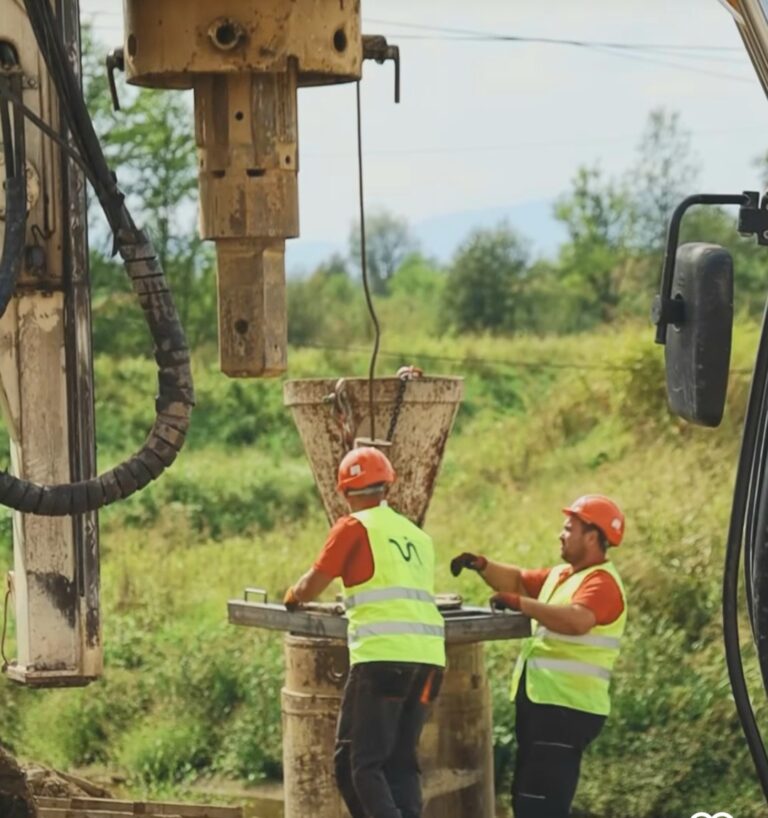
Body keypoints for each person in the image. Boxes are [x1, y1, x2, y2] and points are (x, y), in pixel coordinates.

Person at [284, 446, 445, 818]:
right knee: (400, 763)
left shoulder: (353, 527)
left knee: (359, 767)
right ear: (388, 486)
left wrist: (292, 595)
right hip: (430, 663)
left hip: (383, 660)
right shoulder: (417, 537)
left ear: (343, 491)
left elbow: (311, 585)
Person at [450, 494, 627, 818]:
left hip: (566, 707)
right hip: (546, 703)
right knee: (530, 800)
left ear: (592, 537)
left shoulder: (601, 583)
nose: (561, 534)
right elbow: (518, 580)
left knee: (540, 805)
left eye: (568, 528)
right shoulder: (564, 576)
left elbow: (576, 620)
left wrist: (521, 604)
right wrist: (482, 565)